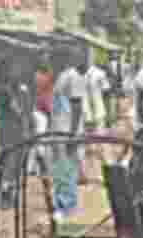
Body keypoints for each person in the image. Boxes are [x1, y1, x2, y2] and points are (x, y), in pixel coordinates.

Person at [51, 51, 87, 222]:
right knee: (60, 168)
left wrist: (73, 134)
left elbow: (77, 106)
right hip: (59, 130)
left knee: (66, 168)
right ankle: (62, 205)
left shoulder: (73, 77)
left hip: (67, 131)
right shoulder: (62, 76)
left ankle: (66, 208)